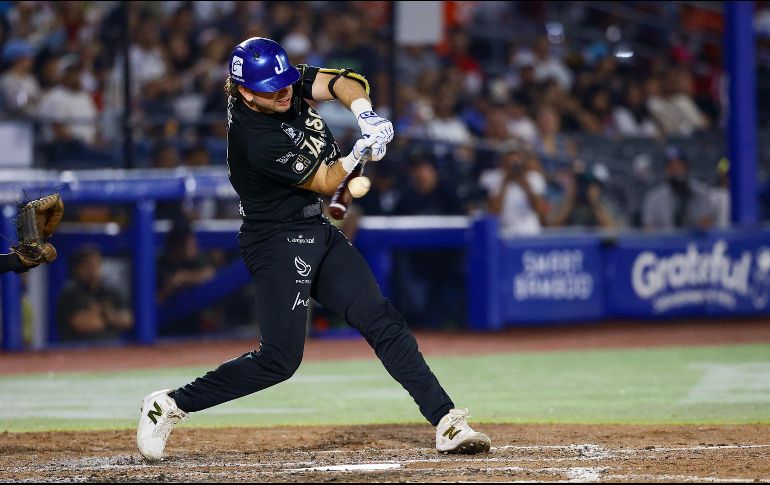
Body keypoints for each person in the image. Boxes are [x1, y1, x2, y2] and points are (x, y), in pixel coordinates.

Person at [136, 37, 490, 462]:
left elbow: (344, 80)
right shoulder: (254, 138)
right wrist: (357, 153)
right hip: (275, 240)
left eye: (286, 82)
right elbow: (325, 182)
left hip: (314, 228)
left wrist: (365, 115)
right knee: (279, 360)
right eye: (272, 88)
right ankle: (170, 404)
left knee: (380, 317)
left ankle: (446, 420)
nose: (285, 91)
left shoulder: (277, 87)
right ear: (245, 93)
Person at [56, 245, 133, 342]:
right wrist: (111, 317)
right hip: (78, 350)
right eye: (88, 265)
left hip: (112, 349)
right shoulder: (71, 293)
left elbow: (128, 320)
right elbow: (84, 324)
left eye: (97, 264)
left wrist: (102, 315)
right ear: (78, 269)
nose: (93, 270)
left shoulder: (110, 291)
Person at [641, 147, 717, 231]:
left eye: (680, 165)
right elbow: (648, 230)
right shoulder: (654, 197)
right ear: (666, 169)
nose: (676, 170)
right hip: (665, 242)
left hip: (694, 242)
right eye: (672, 166)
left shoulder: (701, 192)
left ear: (687, 167)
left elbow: (708, 224)